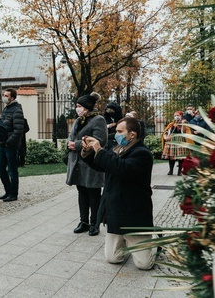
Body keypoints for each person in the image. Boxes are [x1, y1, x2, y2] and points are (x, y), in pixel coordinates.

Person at [81, 117, 156, 270]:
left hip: (134, 212)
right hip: (115, 210)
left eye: (120, 132)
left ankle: (153, 242)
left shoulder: (143, 153)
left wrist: (100, 150)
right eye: (116, 131)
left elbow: (122, 168)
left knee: (144, 264)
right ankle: (125, 241)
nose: (117, 135)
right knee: (113, 258)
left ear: (132, 134)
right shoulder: (117, 149)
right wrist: (88, 152)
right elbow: (103, 165)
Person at [66, 92, 107, 236]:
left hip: (91, 163)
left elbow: (101, 140)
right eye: (76, 106)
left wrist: (76, 145)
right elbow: (71, 136)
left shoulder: (98, 119)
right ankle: (84, 221)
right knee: (82, 192)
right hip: (77, 162)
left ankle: (95, 224)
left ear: (87, 107)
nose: (77, 108)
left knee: (93, 193)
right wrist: (69, 143)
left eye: (79, 106)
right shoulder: (79, 120)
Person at [0, 88, 25, 202]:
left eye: (6, 95)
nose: (4, 97)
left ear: (12, 98)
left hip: (11, 145)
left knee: (12, 170)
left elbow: (18, 130)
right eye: (3, 94)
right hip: (3, 144)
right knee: (1, 169)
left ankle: (13, 194)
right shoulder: (6, 109)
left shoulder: (17, 110)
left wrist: (9, 142)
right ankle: (7, 191)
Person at [162, 111, 193, 176]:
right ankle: (171, 170)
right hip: (171, 141)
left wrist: (183, 124)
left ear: (181, 116)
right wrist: (165, 137)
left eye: (178, 115)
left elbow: (185, 132)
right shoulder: (171, 124)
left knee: (180, 157)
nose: (176, 116)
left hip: (181, 141)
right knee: (171, 157)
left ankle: (179, 171)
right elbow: (165, 132)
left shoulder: (184, 123)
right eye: (175, 115)